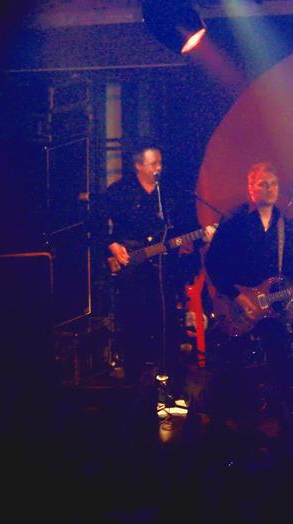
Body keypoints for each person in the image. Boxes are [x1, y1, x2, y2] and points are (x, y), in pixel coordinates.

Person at [93, 140, 211, 435]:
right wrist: (112, 245)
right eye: (153, 163)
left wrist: (202, 236)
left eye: (160, 162)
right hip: (133, 276)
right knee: (135, 333)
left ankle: (174, 399)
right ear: (138, 166)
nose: (159, 168)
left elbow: (183, 231)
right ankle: (136, 401)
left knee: (168, 333)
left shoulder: (167, 195)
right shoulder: (119, 192)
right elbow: (95, 224)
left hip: (163, 275)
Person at [204, 161, 293, 417]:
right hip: (235, 304)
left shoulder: (281, 224)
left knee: (282, 356)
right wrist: (238, 296)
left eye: (273, 184)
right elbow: (213, 262)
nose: (269, 189)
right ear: (251, 189)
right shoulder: (235, 221)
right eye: (263, 184)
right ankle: (220, 413)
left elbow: (291, 266)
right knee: (231, 363)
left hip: (267, 305)